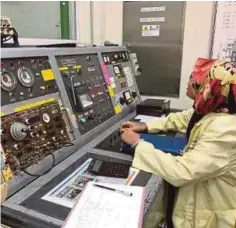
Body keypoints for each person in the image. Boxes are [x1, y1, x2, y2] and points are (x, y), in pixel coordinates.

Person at [120, 58, 236, 228]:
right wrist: (145, 126)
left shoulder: (225, 128)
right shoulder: (212, 109)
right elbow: (182, 118)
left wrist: (137, 144)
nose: (188, 83)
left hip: (211, 216)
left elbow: (183, 171)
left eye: (192, 79)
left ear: (207, 86)